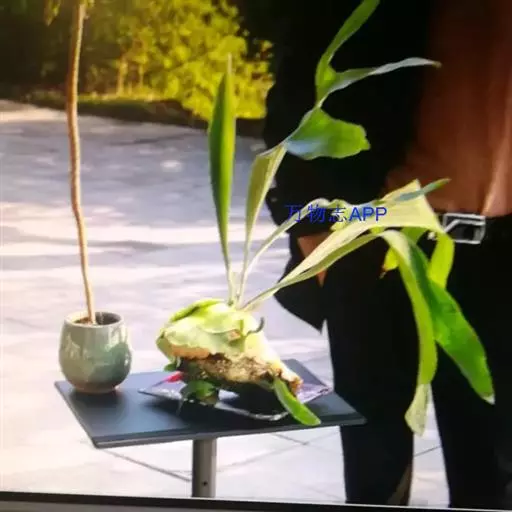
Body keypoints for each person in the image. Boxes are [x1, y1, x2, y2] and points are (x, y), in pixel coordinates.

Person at [262, 0, 512, 508]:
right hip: (380, 243)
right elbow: (299, 84)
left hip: (501, 260)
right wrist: (315, 237)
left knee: (495, 474)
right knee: (377, 470)